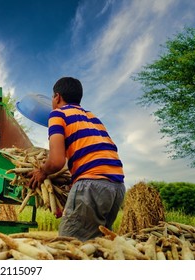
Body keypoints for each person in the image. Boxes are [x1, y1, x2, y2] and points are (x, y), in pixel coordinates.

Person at [28, 77, 125, 241]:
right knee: (98, 246)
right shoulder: (92, 118)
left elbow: (57, 161)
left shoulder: (57, 114)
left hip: (92, 184)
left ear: (57, 97)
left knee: (68, 247)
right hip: (117, 188)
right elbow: (91, 154)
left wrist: (42, 172)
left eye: (52, 97)